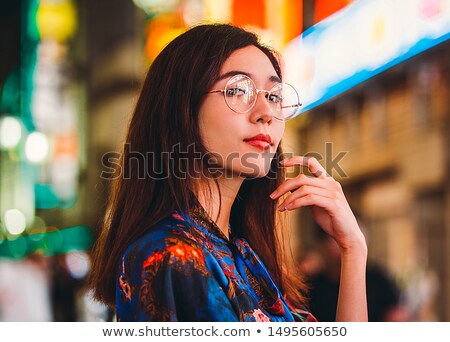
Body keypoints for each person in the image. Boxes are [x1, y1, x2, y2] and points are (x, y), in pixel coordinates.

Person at [88, 23, 367, 322]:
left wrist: (353, 249)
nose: (265, 113)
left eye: (273, 96)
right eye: (237, 90)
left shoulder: (237, 249)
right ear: (182, 107)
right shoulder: (174, 255)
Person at [303, 223, 410, 322]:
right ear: (323, 244)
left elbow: (397, 314)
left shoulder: (378, 277)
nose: (359, 243)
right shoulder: (311, 286)